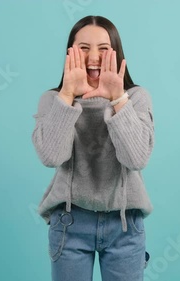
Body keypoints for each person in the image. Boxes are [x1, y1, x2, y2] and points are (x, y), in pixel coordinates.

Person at [32, 15, 155, 281]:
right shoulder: (53, 100)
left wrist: (118, 99)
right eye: (84, 48)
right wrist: (67, 96)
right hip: (70, 222)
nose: (93, 56)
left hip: (125, 225)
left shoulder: (135, 98)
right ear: (70, 54)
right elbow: (51, 156)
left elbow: (136, 158)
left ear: (116, 53)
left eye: (103, 48)